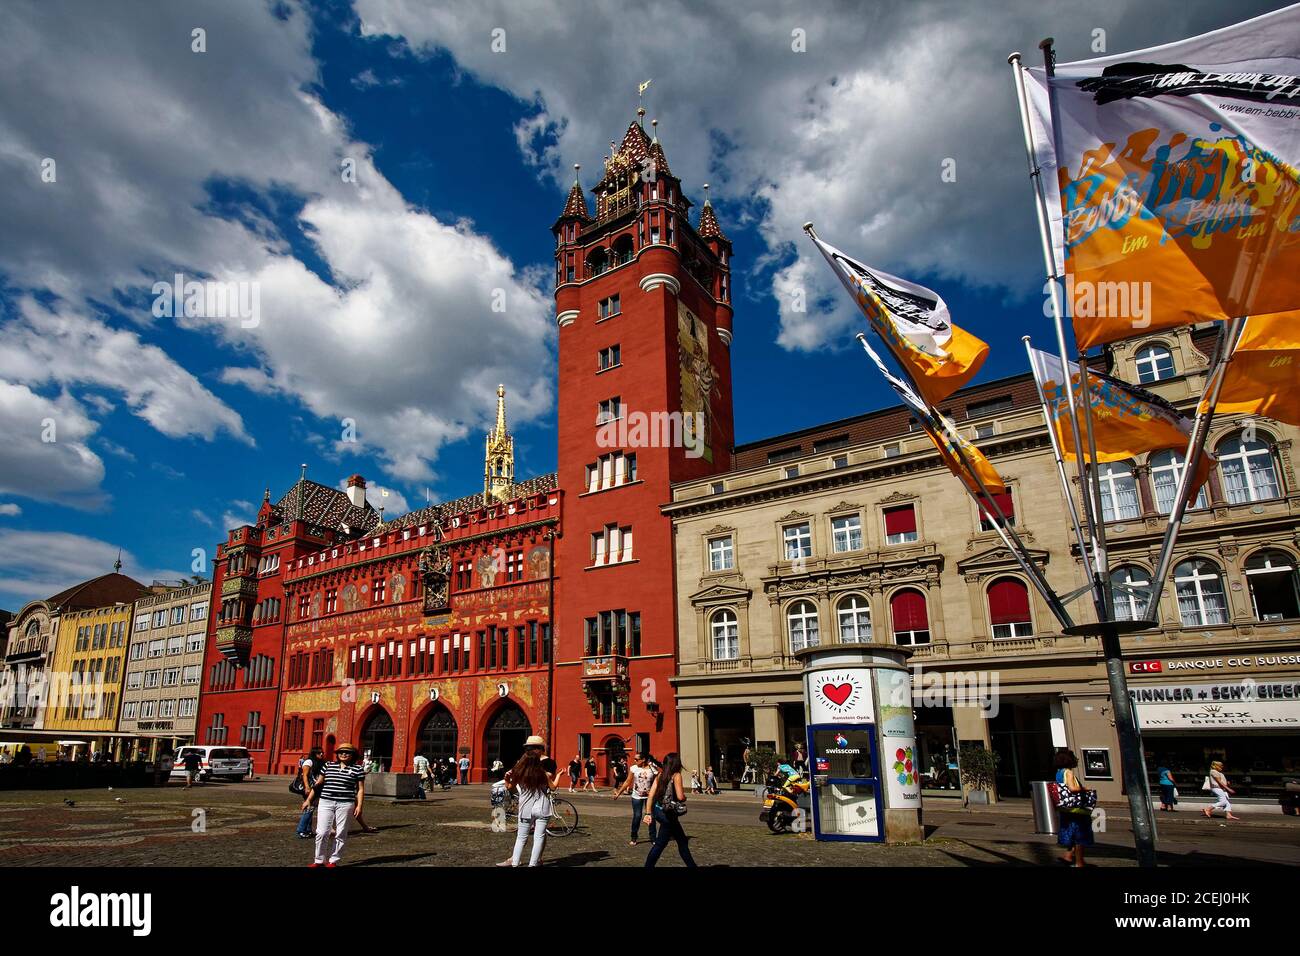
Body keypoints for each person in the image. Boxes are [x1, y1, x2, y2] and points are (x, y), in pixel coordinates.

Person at [304, 742, 367, 867]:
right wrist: (308, 800)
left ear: (352, 754)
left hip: (346, 803)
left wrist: (359, 806)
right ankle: (319, 860)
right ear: (337, 754)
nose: (343, 754)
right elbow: (318, 784)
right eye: (340, 752)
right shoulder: (328, 765)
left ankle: (333, 860)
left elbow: (360, 789)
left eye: (347, 752)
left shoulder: (357, 769)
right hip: (326, 802)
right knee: (321, 832)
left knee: (341, 832)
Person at [497, 748, 554, 867]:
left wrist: (506, 778)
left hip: (525, 809)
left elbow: (508, 787)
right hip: (542, 807)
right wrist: (558, 775)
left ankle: (515, 863)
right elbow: (553, 787)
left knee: (521, 838)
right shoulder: (543, 774)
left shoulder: (519, 774)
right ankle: (533, 864)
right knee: (539, 838)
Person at [644, 752, 696, 868]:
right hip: (669, 815)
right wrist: (684, 798)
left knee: (680, 842)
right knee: (662, 844)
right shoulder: (676, 775)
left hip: (659, 812)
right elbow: (680, 796)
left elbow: (651, 796)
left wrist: (647, 813)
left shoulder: (659, 776)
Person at [1054, 748, 1093, 868]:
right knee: (1080, 835)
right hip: (1075, 808)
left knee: (1072, 832)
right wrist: (1085, 789)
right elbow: (1072, 788)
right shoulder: (1068, 772)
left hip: (1065, 808)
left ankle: (1068, 856)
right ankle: (1079, 862)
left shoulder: (1059, 772)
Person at [613, 751, 659, 847]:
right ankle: (634, 837)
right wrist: (618, 792)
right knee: (637, 816)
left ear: (643, 760)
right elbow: (627, 782)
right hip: (636, 796)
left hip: (649, 797)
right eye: (634, 759)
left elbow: (657, 783)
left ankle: (653, 838)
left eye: (637, 759)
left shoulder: (652, 769)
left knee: (651, 817)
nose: (634, 760)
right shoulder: (634, 768)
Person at [296, 747, 325, 836]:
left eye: (322, 752)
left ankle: (307, 830)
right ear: (314, 754)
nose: (321, 754)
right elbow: (304, 775)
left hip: (316, 788)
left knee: (310, 808)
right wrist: (307, 787)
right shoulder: (309, 762)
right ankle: (301, 830)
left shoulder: (321, 762)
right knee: (309, 808)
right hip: (309, 788)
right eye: (319, 753)